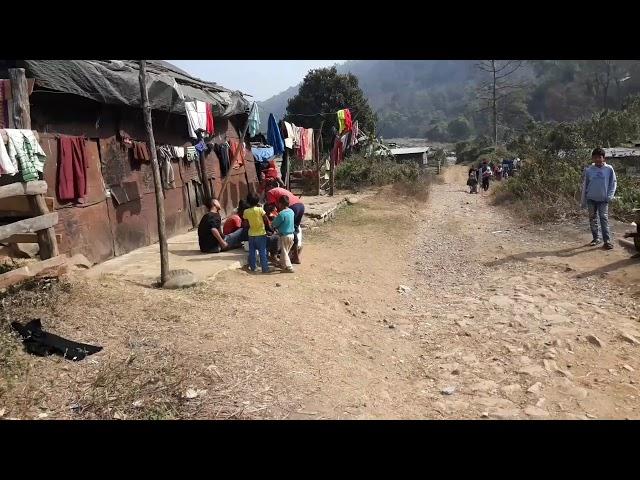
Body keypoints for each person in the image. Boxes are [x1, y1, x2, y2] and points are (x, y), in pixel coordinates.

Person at [581, 147, 617, 249]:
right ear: (592, 158)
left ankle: (607, 241)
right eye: (595, 157)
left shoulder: (609, 169)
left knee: (603, 219)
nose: (597, 159)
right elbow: (585, 185)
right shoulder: (589, 170)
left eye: (599, 157)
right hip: (591, 199)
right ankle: (596, 238)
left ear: (603, 158)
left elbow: (613, 183)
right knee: (592, 219)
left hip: (603, 199)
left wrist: (610, 196)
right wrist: (583, 200)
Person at [265, 180, 305, 264]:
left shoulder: (270, 192)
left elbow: (272, 207)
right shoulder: (279, 190)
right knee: (294, 230)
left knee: (290, 231)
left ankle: (294, 256)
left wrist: (267, 216)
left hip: (293, 207)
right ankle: (294, 254)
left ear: (269, 187)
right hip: (300, 206)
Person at [243, 193, 271, 273]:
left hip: (251, 234)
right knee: (262, 251)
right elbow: (266, 219)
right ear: (257, 201)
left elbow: (245, 223)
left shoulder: (246, 211)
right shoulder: (260, 209)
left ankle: (253, 267)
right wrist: (269, 227)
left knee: (252, 252)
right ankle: (265, 268)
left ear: (248, 202)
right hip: (261, 234)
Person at [271, 196, 295, 272]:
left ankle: (289, 267)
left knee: (284, 252)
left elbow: (275, 224)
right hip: (291, 235)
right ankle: (282, 264)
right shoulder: (291, 211)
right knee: (285, 252)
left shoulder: (281, 214)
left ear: (280, 204)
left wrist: (274, 219)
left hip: (284, 235)